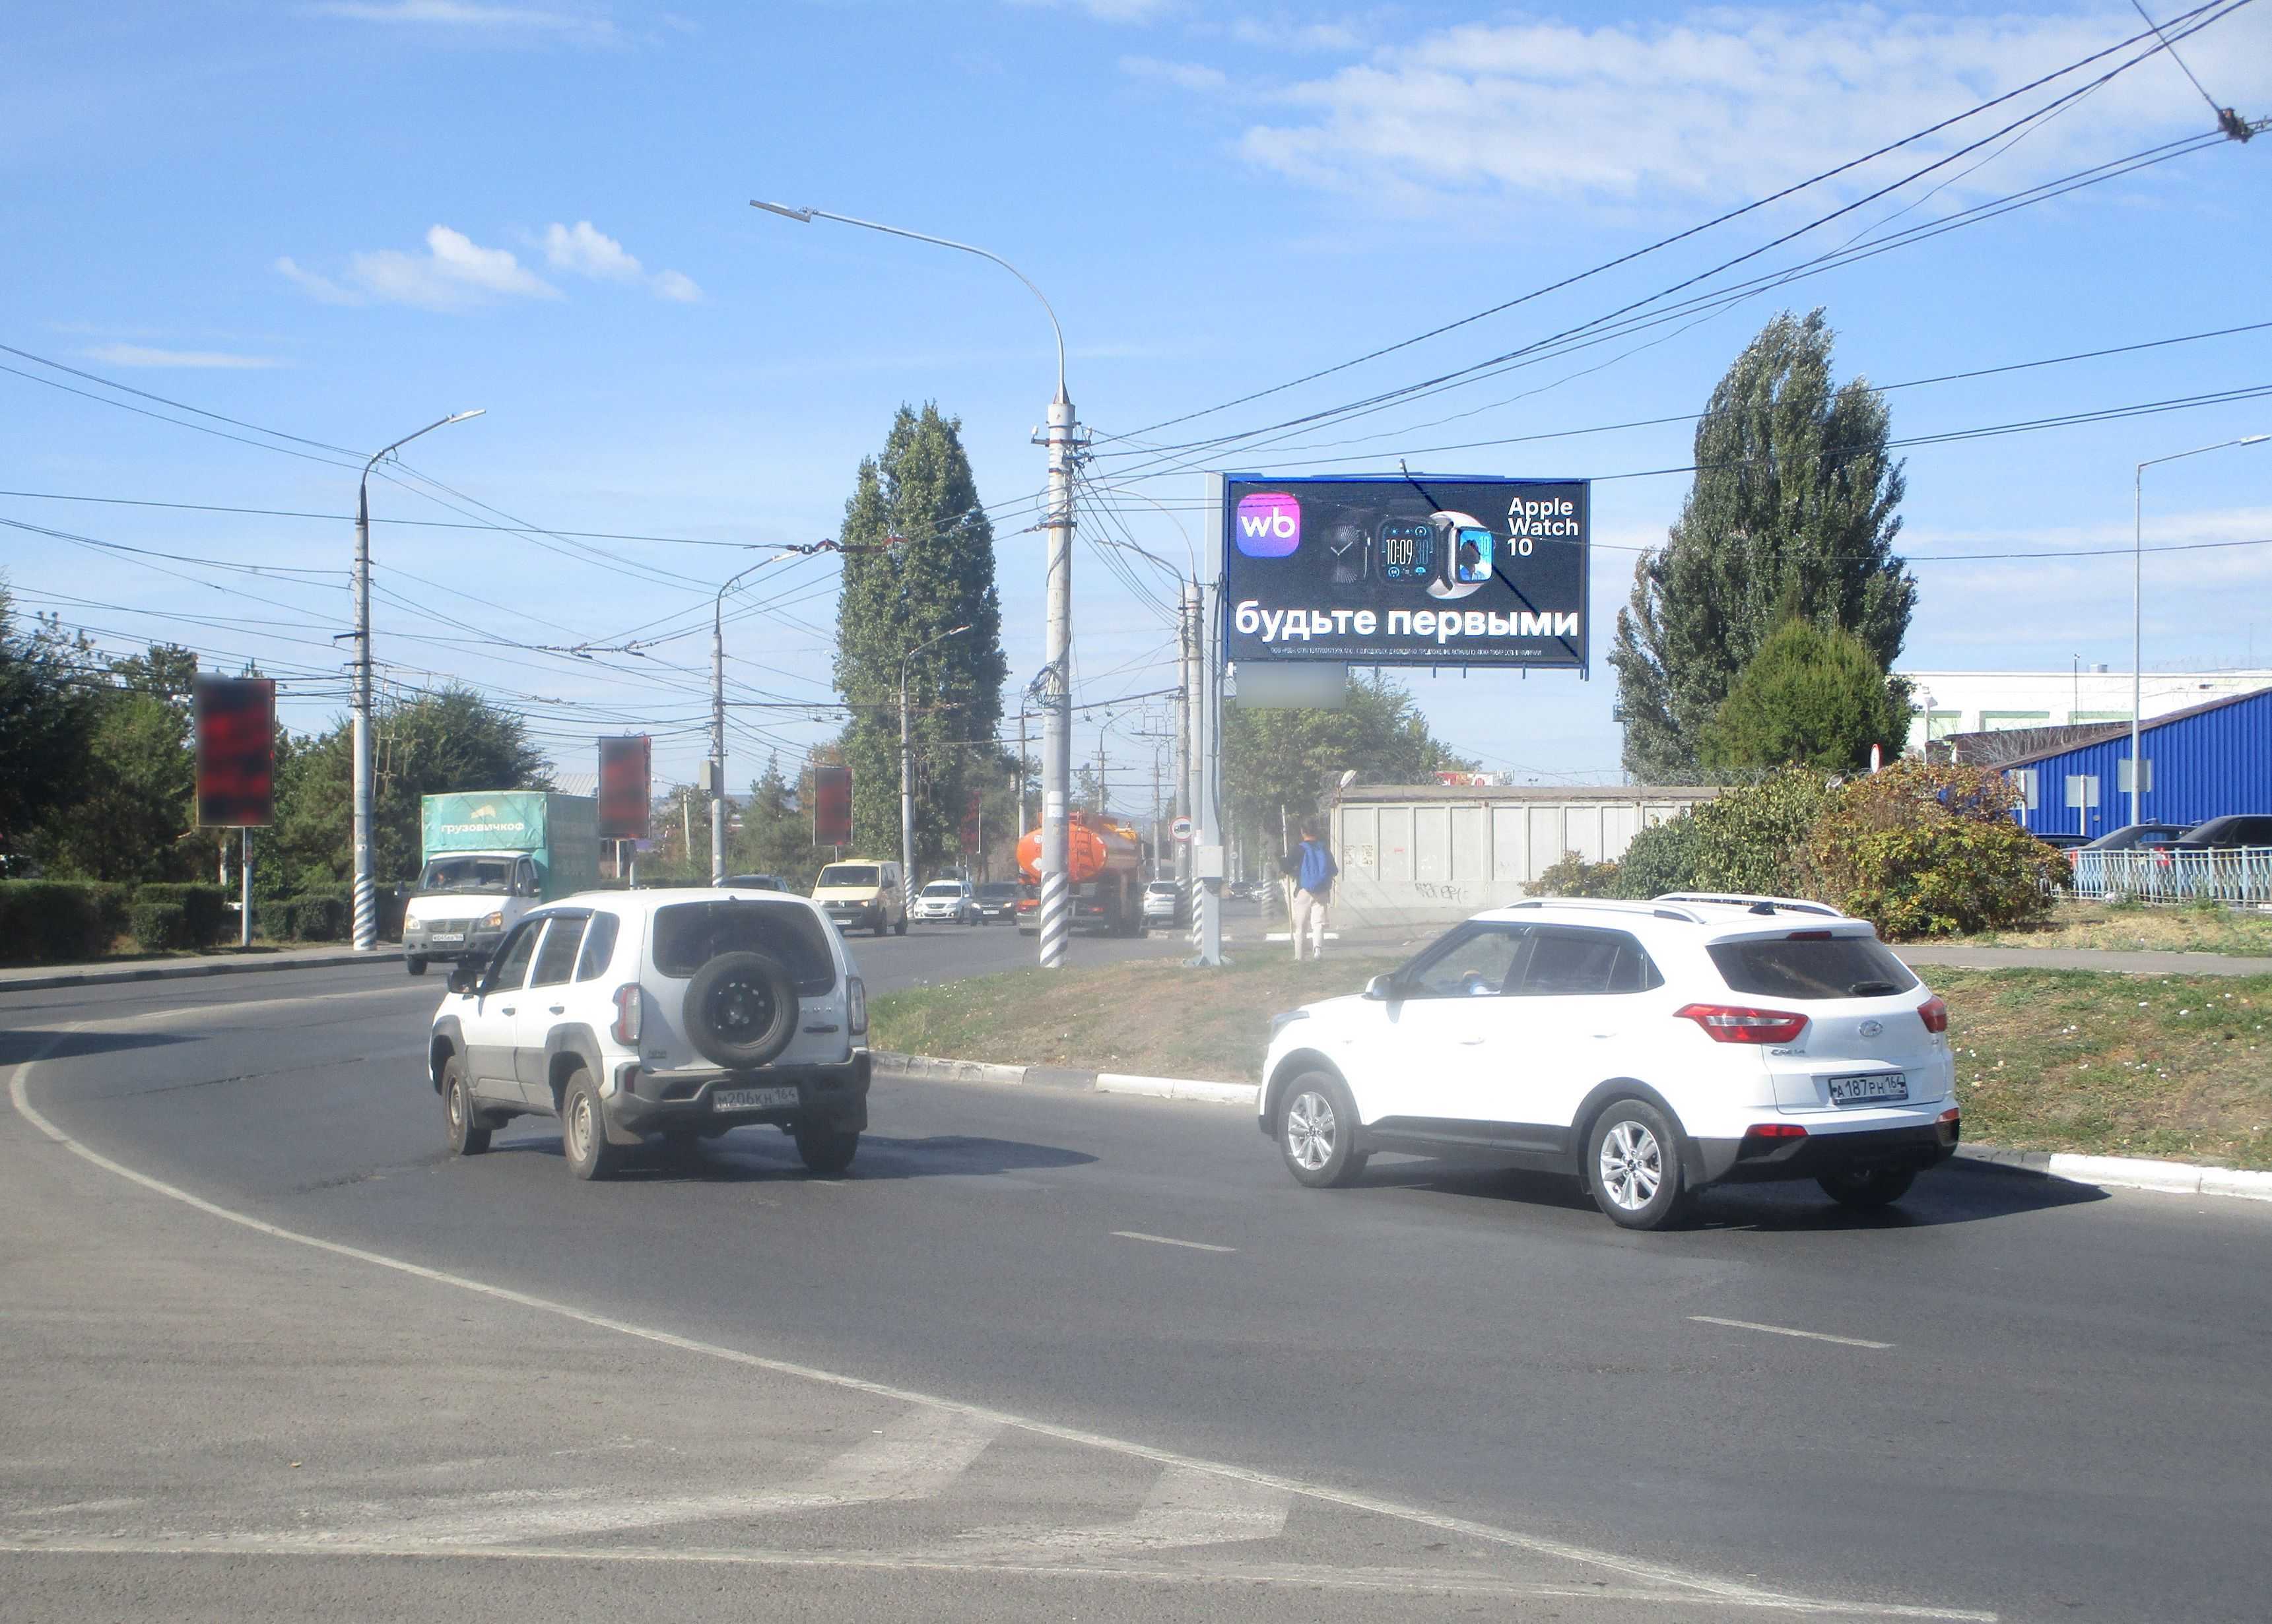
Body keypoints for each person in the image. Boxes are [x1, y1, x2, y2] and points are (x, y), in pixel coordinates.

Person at [1290, 820, 1337, 962]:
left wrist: (1292, 871)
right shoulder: (1323, 849)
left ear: (1302, 832)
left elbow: (1286, 866)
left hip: (1303, 890)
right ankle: (1317, 951)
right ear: (1316, 832)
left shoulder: (1299, 849)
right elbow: (1334, 870)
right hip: (1321, 891)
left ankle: (1299, 956)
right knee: (1318, 923)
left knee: (1301, 924)